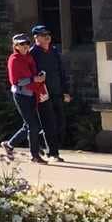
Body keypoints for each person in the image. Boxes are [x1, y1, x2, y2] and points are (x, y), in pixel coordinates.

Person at [2, 33, 48, 165]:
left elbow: (32, 73)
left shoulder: (29, 57)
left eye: (27, 43)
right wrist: (34, 79)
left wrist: (38, 76)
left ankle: (9, 145)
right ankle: (35, 155)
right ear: (15, 46)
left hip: (31, 94)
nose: (25, 46)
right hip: (21, 95)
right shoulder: (14, 59)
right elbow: (15, 82)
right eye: (21, 44)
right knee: (34, 126)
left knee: (29, 125)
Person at [30, 24, 70, 163]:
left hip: (57, 92)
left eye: (48, 34)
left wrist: (66, 91)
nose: (47, 37)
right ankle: (53, 153)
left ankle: (40, 141)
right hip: (43, 94)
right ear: (36, 38)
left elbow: (61, 72)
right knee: (49, 124)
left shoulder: (53, 51)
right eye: (43, 35)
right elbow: (32, 75)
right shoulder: (32, 54)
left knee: (60, 123)